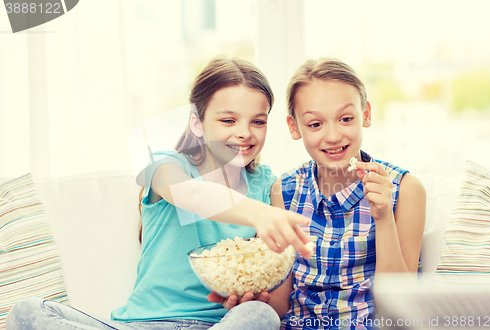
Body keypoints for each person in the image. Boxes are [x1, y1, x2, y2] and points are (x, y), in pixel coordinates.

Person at [5, 56, 312, 330]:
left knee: (262, 316)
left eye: (257, 121)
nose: (245, 132)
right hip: (139, 324)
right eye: (228, 120)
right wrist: (260, 214)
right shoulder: (165, 167)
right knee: (27, 311)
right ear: (197, 123)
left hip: (219, 324)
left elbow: (280, 306)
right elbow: (194, 195)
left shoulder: (270, 186)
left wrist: (253, 299)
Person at [221, 58, 426, 329]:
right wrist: (251, 302)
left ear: (366, 114)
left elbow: (402, 308)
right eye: (315, 124)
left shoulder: (405, 189)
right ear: (294, 127)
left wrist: (384, 217)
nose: (332, 136)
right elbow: (281, 303)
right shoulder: (284, 191)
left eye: (345, 119)